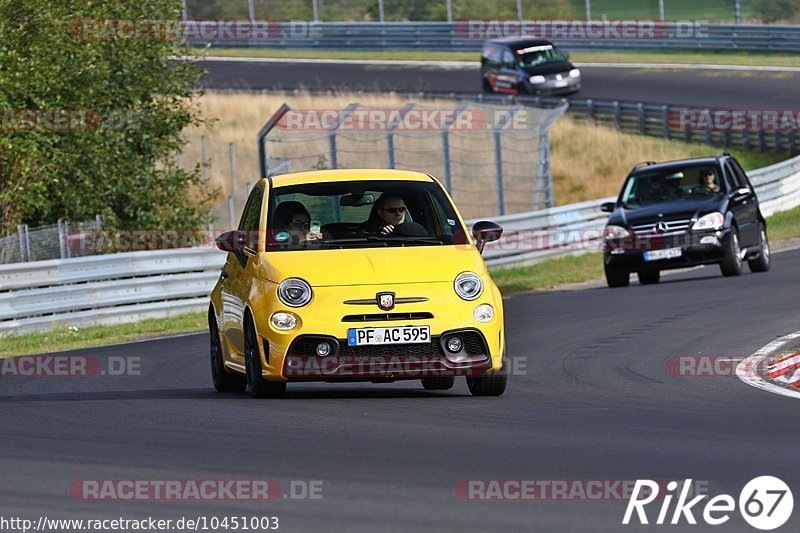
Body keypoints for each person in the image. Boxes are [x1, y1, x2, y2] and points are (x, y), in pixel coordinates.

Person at [362, 194, 428, 237]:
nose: (398, 213)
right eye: (392, 210)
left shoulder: (417, 232)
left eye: (401, 209)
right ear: (380, 213)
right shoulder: (370, 235)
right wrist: (381, 238)